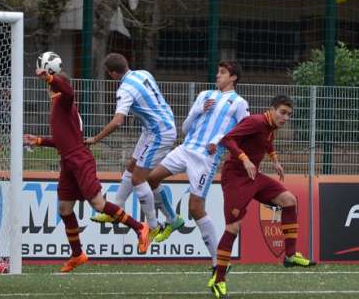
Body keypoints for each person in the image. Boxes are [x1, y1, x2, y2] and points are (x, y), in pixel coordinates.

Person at [24, 67, 151, 272]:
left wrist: (49, 77)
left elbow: (69, 91)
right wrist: (39, 141)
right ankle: (77, 254)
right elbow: (62, 140)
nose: (49, 86)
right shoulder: (58, 106)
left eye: (52, 83)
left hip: (80, 161)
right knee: (64, 209)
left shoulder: (63, 100)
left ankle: (140, 227)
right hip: (68, 162)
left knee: (98, 204)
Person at [146, 61, 249, 280]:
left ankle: (218, 263)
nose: (217, 75)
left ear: (234, 78)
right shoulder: (204, 95)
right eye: (218, 72)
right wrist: (198, 111)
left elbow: (244, 132)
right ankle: (173, 219)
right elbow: (185, 127)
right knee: (151, 179)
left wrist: (220, 140)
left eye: (222, 73)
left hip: (205, 158)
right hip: (186, 148)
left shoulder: (239, 103)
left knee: (196, 208)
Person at [210, 95, 315, 299]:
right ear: (272, 109)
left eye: (288, 115)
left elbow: (267, 142)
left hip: (254, 176)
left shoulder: (270, 127)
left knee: (289, 200)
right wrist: (245, 159)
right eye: (282, 112)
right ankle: (218, 281)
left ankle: (291, 255)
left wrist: (274, 160)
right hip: (236, 178)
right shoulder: (255, 121)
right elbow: (227, 139)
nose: (285, 118)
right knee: (233, 227)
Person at [87, 53, 177, 241]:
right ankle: (115, 209)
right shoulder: (143, 74)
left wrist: (96, 138)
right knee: (131, 167)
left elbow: (118, 121)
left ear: (112, 73)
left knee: (138, 179)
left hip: (160, 132)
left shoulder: (125, 89)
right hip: (155, 128)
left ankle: (153, 226)